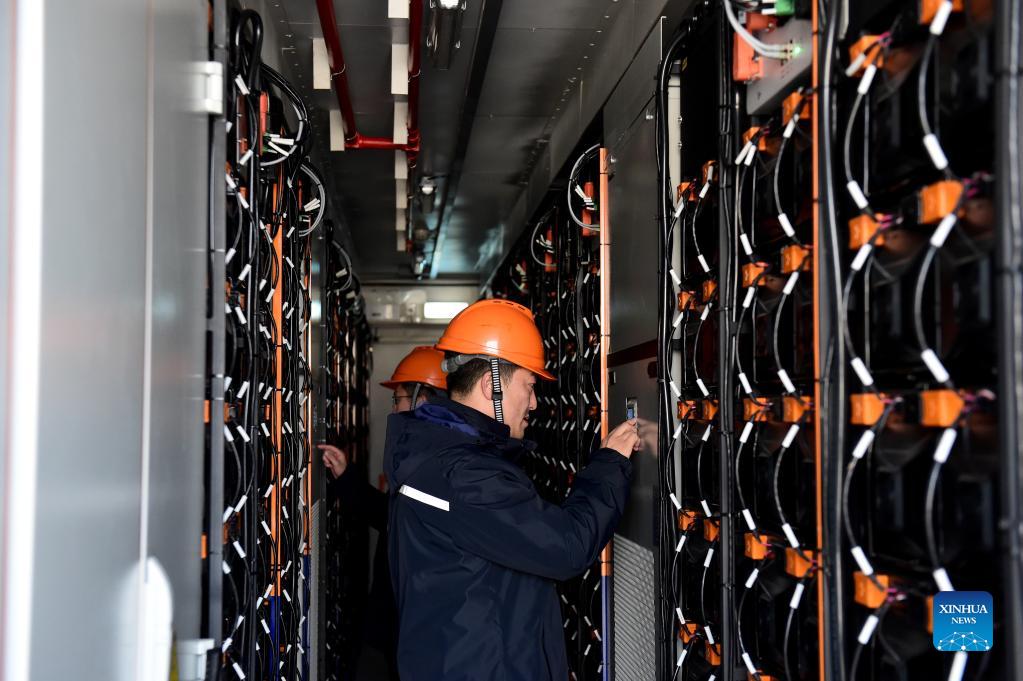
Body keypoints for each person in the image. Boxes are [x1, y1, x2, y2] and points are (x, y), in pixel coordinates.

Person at [384, 299, 640, 680]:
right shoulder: (467, 476)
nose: (534, 403)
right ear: (492, 386)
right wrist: (610, 464)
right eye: (530, 386)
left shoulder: (439, 455)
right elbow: (567, 546)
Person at [318, 345, 447, 681]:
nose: (394, 407)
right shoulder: (420, 457)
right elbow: (392, 516)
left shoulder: (439, 466)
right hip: (395, 619)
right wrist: (345, 477)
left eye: (398, 398)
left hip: (411, 625)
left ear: (422, 401)